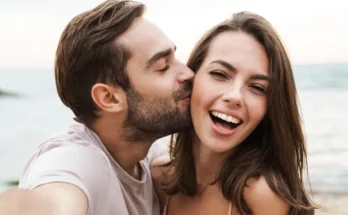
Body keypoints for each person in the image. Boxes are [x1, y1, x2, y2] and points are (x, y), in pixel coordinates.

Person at [0, 0, 194, 215]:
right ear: (109, 98)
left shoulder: (143, 154)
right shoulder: (75, 160)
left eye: (175, 57)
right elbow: (52, 201)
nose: (188, 73)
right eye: (163, 67)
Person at [152, 11, 316, 215]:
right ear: (192, 77)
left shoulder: (261, 196)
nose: (235, 96)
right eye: (220, 74)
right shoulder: (158, 177)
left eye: (257, 87)